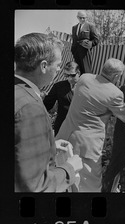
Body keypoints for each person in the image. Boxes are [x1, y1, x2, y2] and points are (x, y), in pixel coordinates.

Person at [56, 58, 125, 192]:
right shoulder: (115, 93)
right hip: (86, 148)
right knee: (90, 187)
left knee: (63, 182)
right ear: (116, 76)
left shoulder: (84, 78)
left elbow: (92, 102)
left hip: (64, 138)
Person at [14, 33, 83, 192]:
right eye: (58, 65)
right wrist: (69, 169)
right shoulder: (30, 107)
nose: (59, 70)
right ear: (44, 66)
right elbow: (35, 185)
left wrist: (48, 146)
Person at [42, 61, 81, 135]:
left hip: (79, 128)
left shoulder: (86, 87)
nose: (69, 78)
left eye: (72, 75)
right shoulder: (58, 86)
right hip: (61, 127)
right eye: (66, 75)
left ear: (78, 73)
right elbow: (46, 105)